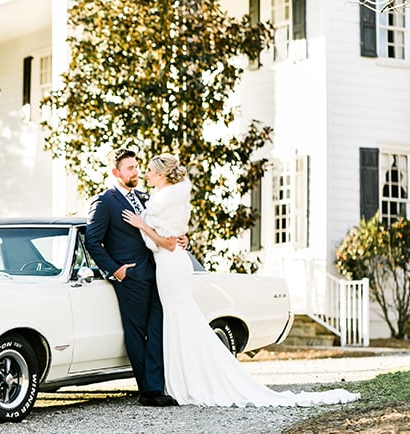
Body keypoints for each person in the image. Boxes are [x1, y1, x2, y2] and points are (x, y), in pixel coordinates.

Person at [122, 153, 361, 406]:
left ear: (161, 175)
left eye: (149, 170)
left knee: (179, 319)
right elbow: (176, 234)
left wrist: (141, 225)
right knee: (178, 320)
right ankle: (178, 379)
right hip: (170, 265)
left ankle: (189, 381)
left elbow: (169, 242)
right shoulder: (164, 197)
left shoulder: (168, 199)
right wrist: (179, 236)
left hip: (171, 265)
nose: (145, 174)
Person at [85, 147, 183, 407]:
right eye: (130, 168)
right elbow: (93, 242)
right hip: (131, 278)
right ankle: (148, 391)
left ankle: (158, 385)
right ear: (116, 172)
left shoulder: (144, 197)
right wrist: (116, 270)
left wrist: (183, 239)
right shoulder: (104, 201)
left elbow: (161, 229)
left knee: (157, 328)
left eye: (137, 166)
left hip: (160, 272)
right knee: (137, 332)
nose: (136, 171)